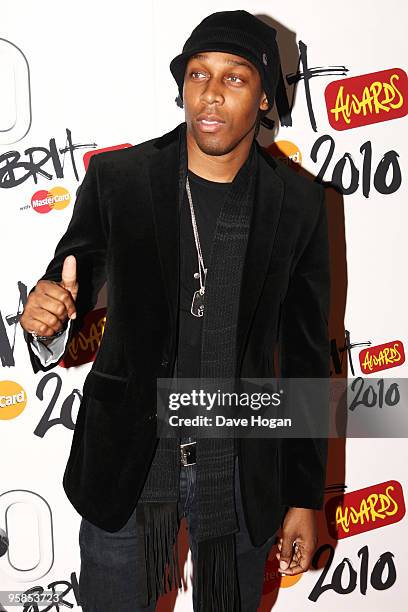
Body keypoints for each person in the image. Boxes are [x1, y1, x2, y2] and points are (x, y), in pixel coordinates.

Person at [19, 9, 331, 612]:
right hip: (128, 466)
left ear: (266, 94)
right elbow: (70, 279)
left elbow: (306, 354)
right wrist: (49, 317)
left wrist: (303, 497)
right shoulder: (121, 178)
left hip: (241, 473)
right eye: (197, 75)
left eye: (234, 78)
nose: (210, 94)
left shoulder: (297, 202)